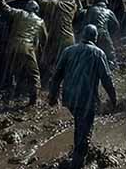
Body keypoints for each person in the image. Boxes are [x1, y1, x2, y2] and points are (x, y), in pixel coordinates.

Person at [48, 25, 117, 169]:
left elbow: (57, 75)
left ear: (82, 36)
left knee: (80, 125)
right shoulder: (98, 53)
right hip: (86, 99)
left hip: (70, 98)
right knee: (85, 132)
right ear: (95, 38)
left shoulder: (68, 51)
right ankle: (78, 163)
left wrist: (53, 96)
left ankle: (77, 155)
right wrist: (113, 98)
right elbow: (106, 79)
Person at [0, 0, 48, 105]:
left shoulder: (19, 13)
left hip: (12, 46)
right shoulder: (40, 21)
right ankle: (33, 100)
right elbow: (44, 40)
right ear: (37, 10)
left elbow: (4, 6)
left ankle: (8, 98)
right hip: (27, 48)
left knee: (11, 72)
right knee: (34, 75)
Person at [32, 0, 80, 81]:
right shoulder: (72, 4)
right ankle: (68, 80)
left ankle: (52, 82)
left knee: (51, 61)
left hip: (59, 39)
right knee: (67, 62)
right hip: (70, 39)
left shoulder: (56, 4)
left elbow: (43, 3)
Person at [81, 0, 120, 69]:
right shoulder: (108, 11)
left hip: (91, 35)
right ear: (105, 2)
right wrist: (109, 33)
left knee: (91, 55)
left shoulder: (90, 10)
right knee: (110, 55)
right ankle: (113, 69)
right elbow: (116, 25)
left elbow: (85, 24)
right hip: (104, 34)